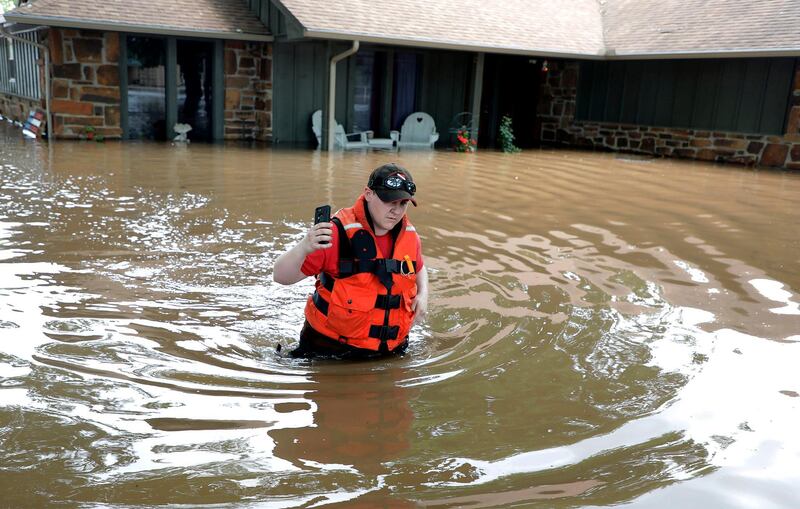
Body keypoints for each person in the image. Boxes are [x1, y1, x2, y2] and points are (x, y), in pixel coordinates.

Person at [273, 163, 429, 358]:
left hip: (391, 349)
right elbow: (280, 276)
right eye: (389, 201)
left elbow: (417, 266)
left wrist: (423, 293)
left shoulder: (409, 235)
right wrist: (304, 246)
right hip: (330, 351)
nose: (396, 211)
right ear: (368, 193)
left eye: (402, 204)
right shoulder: (336, 234)